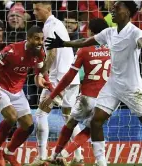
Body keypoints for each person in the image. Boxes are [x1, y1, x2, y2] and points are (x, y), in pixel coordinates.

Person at [44, 1, 142, 166]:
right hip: (112, 85)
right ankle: (101, 163)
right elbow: (86, 42)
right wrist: (63, 43)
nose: (113, 10)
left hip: (131, 88)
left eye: (117, 8)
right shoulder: (109, 32)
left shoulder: (135, 32)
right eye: (112, 8)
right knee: (95, 122)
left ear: (127, 12)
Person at [41, 18, 110, 165]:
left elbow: (68, 77)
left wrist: (53, 95)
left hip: (88, 97)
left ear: (90, 31)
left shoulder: (84, 49)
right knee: (92, 127)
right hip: (107, 99)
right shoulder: (113, 48)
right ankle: (68, 154)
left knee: (70, 123)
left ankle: (55, 155)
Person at [0, 26, 45, 166]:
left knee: (28, 126)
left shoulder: (40, 52)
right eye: (36, 38)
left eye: (42, 39)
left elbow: (40, 69)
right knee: (11, 117)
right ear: (28, 39)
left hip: (17, 90)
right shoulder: (11, 51)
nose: (40, 42)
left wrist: (40, 77)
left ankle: (9, 153)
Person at [32, 1, 82, 165]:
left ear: (47, 9)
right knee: (69, 117)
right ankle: (78, 158)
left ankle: (42, 157)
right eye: (33, 9)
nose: (34, 12)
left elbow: (52, 54)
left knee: (40, 114)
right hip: (72, 77)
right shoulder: (57, 24)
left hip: (59, 78)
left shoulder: (50, 26)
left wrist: (40, 73)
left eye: (37, 9)